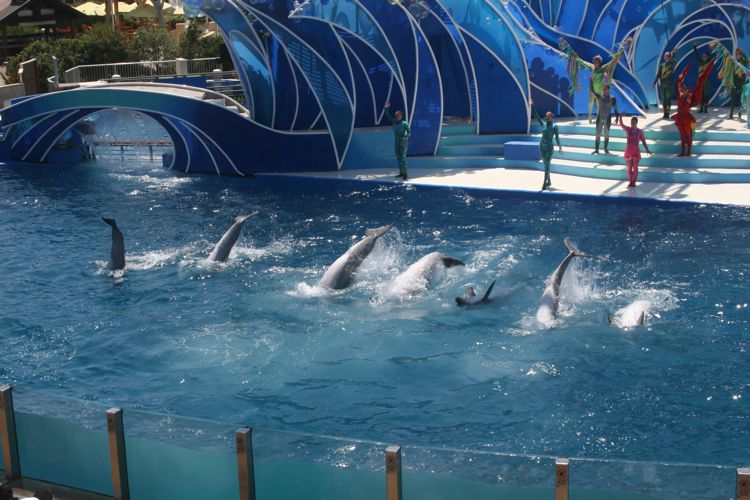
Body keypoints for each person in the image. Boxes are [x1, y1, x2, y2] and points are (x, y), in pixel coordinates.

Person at [562, 38, 631, 122]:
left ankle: (598, 118)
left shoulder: (602, 68)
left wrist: (621, 50)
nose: (595, 63)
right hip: (592, 89)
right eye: (594, 62)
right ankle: (590, 117)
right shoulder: (592, 67)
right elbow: (581, 61)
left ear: (599, 62)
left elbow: (613, 61)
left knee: (599, 105)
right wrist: (572, 53)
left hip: (600, 90)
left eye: (597, 62)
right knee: (590, 103)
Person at [673, 60, 715, 156]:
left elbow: (701, 81)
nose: (682, 90)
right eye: (682, 89)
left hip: (687, 118)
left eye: (684, 89)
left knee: (688, 136)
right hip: (680, 118)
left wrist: (710, 64)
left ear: (687, 90)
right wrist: (686, 70)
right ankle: (683, 152)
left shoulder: (690, 96)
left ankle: (689, 152)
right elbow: (679, 82)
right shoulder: (680, 96)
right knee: (682, 136)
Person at [530, 100, 563, 190]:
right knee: (545, 164)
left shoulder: (555, 127)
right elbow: (536, 116)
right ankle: (549, 181)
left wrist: (560, 145)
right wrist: (533, 106)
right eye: (546, 116)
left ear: (551, 117)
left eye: (548, 116)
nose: (546, 117)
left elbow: (557, 137)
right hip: (542, 147)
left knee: (547, 164)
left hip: (549, 148)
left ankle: (544, 184)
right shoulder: (543, 124)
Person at [618, 115, 651, 187]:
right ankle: (630, 182)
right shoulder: (628, 129)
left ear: (636, 123)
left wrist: (647, 149)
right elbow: (621, 124)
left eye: (634, 123)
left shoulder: (639, 132)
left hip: (636, 151)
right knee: (629, 168)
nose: (632, 124)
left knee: (635, 168)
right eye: (631, 123)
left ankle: (634, 182)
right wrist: (620, 116)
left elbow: (643, 141)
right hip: (628, 151)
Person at [383, 102, 410, 180]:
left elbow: (409, 133)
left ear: (401, 116)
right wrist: (385, 108)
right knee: (398, 158)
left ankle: (405, 174)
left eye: (398, 116)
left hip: (403, 143)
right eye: (396, 116)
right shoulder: (394, 121)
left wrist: (404, 139)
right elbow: (388, 116)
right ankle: (401, 172)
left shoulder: (404, 123)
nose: (397, 117)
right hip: (397, 143)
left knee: (403, 158)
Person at [590, 83, 618, 154]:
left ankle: (605, 148)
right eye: (603, 88)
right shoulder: (599, 96)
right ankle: (596, 149)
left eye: (606, 89)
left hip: (607, 117)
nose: (604, 90)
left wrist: (617, 117)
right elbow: (592, 91)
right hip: (600, 117)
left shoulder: (612, 98)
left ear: (608, 89)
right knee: (597, 134)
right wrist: (591, 82)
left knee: (606, 134)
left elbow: (615, 108)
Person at [653, 51, 676, 118]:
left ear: (670, 57)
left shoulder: (671, 65)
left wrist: (674, 54)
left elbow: (674, 62)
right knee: (663, 100)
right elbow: (658, 75)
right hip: (662, 85)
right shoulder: (662, 65)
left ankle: (667, 113)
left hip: (668, 85)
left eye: (668, 56)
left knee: (668, 99)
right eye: (665, 56)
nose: (666, 57)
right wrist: (654, 82)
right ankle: (664, 113)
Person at [692, 44, 715, 113]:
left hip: (706, 81)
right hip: (700, 81)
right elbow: (696, 55)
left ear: (707, 57)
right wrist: (694, 47)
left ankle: (705, 109)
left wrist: (712, 48)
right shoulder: (700, 62)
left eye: (705, 56)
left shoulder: (709, 62)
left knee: (706, 95)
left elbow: (714, 56)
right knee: (700, 95)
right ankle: (701, 108)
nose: (703, 57)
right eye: (703, 56)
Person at [730, 48, 749, 120]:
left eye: (739, 54)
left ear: (741, 55)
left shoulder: (744, 62)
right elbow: (731, 71)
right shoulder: (734, 62)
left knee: (742, 100)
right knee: (733, 99)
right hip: (734, 83)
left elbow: (747, 60)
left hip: (741, 83)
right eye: (737, 54)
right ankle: (731, 115)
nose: (738, 55)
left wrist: (742, 53)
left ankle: (740, 114)